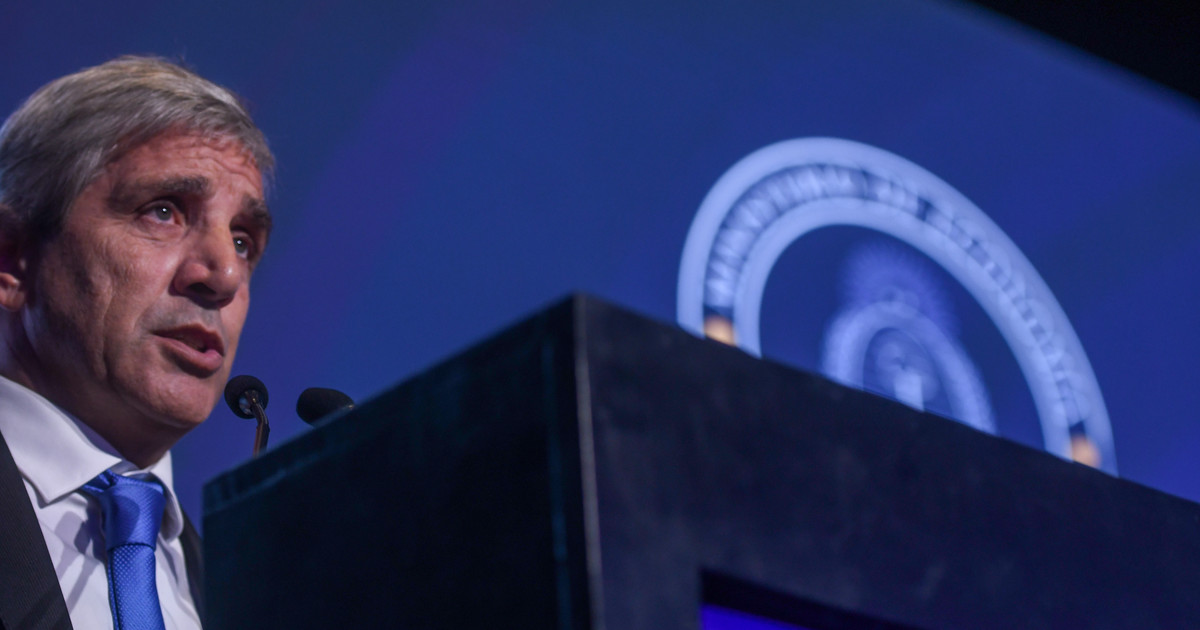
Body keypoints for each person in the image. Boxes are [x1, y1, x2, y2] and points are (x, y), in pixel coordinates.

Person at [0, 56, 274, 629]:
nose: (224, 275)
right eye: (164, 212)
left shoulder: (240, 597)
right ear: (12, 258)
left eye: (243, 241)